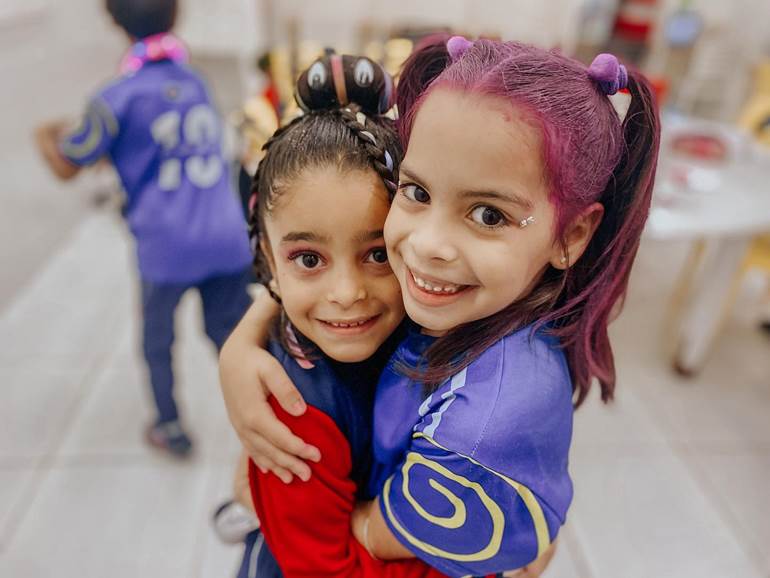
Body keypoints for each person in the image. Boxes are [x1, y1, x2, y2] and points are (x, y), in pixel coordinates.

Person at [220, 35, 659, 577]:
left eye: (490, 215)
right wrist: (241, 346)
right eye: (418, 193)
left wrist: (376, 528)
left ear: (572, 234)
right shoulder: (450, 300)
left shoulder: (477, 425)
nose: (427, 245)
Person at [35, 0, 252, 457]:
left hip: (166, 247)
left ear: (114, 21)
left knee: (158, 339)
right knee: (233, 336)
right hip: (224, 235)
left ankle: (170, 427)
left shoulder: (114, 99)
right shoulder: (195, 81)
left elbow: (68, 161)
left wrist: (42, 134)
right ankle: (266, 416)